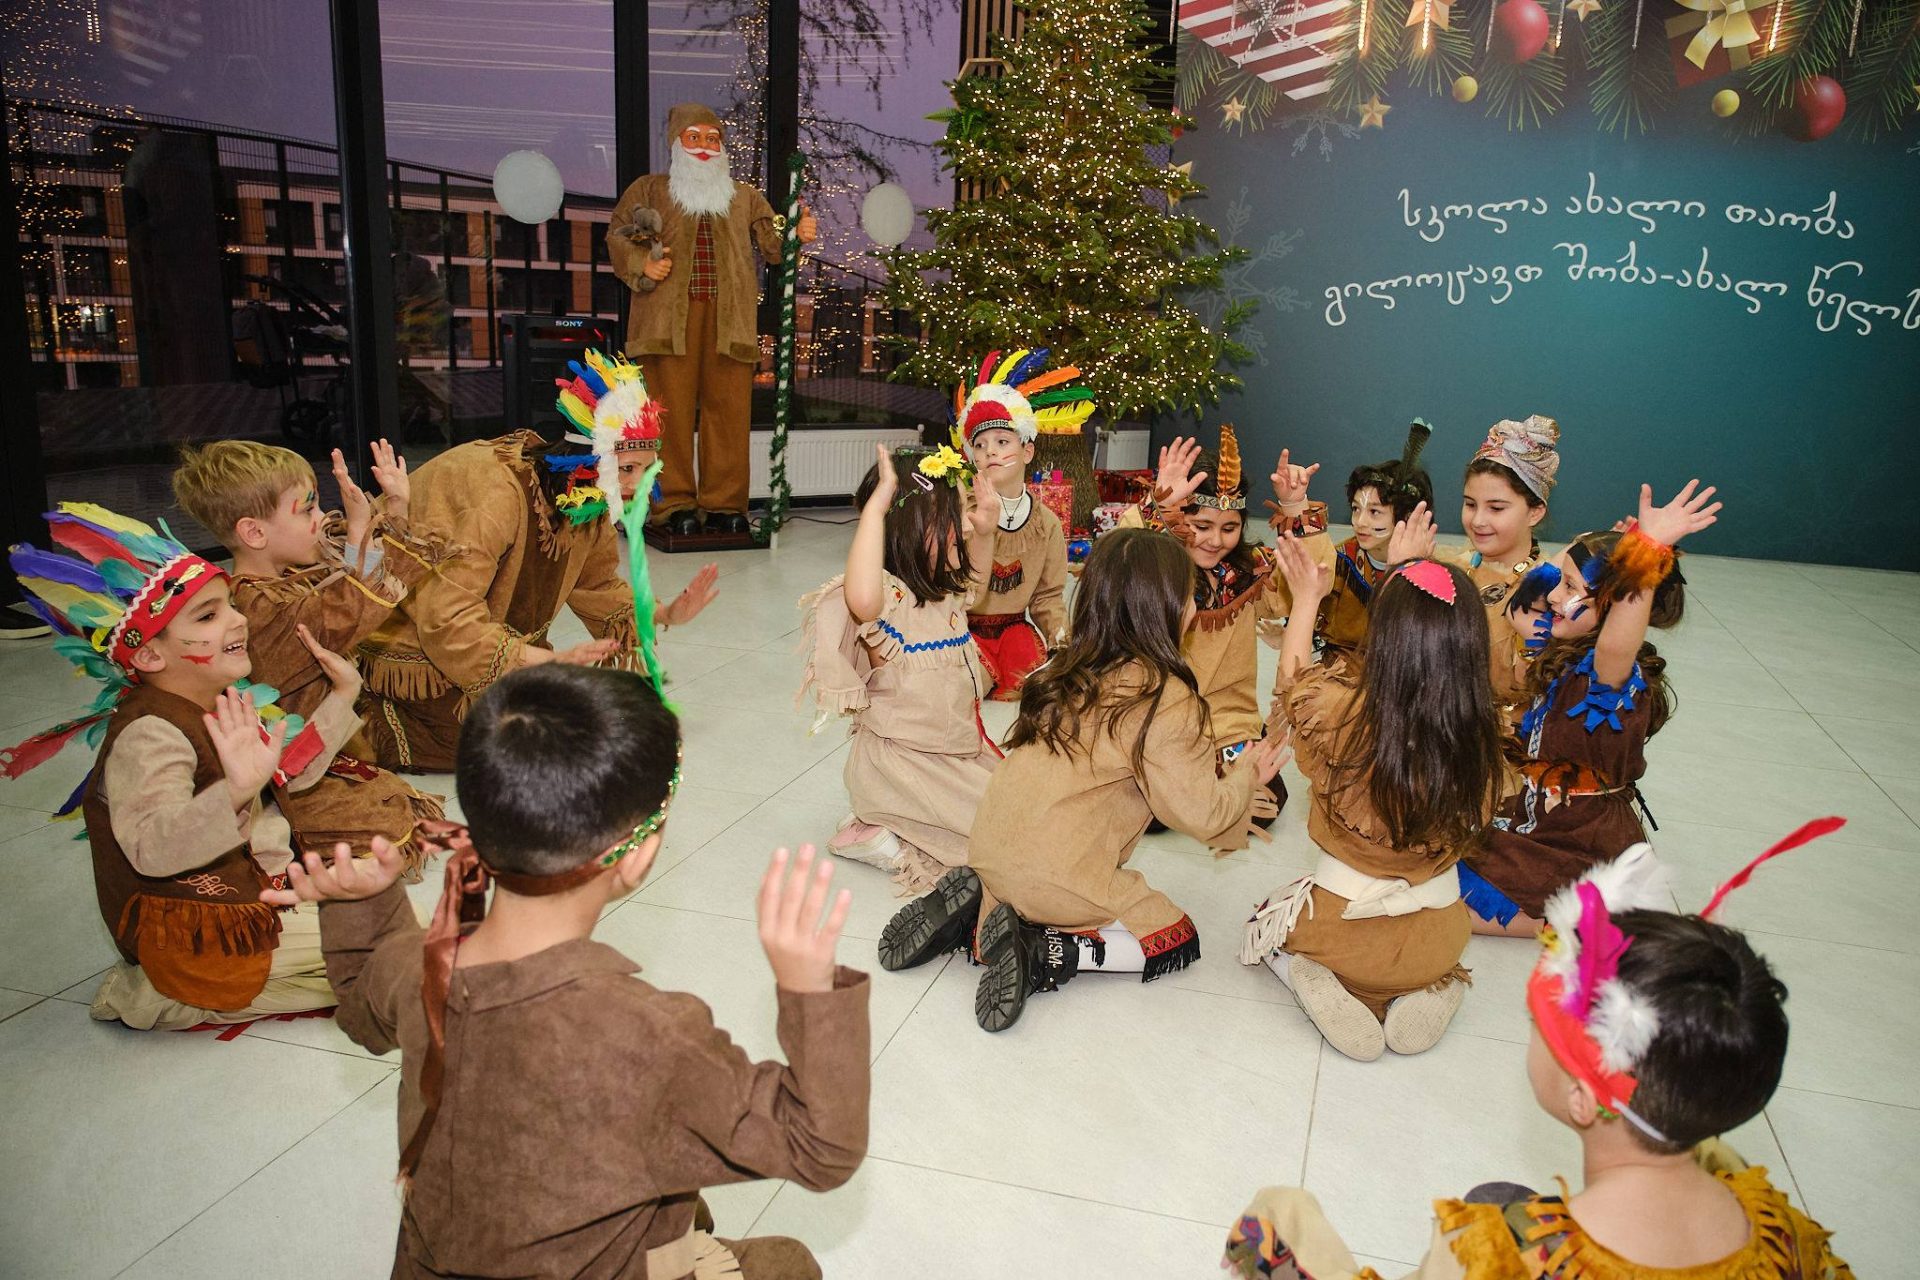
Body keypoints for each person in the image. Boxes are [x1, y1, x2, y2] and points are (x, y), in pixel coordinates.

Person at [268, 664, 869, 1279]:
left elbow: (362, 1011)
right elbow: (819, 1149)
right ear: (638, 853)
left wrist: (362, 902)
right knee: (790, 1264)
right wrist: (810, 989)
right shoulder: (648, 1036)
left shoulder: (422, 963)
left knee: (681, 1192)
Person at [1221, 827, 1854, 1279]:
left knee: (1281, 1218)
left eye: (1540, 1025)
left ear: (1582, 1094)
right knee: (1497, 1194)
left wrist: (1282, 1240)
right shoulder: (1787, 1235)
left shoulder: (1499, 1258)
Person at [876, 528, 1287, 1033]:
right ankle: (1047, 951)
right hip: (1054, 873)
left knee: (1032, 878)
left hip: (986, 848)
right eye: (1189, 596)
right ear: (1165, 608)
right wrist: (1247, 776)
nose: (1193, 606)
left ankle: (977, 914)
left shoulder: (1064, 664)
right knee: (1175, 936)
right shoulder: (1164, 697)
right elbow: (1203, 815)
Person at [1, 505, 368, 1029]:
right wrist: (235, 791)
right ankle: (158, 994)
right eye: (208, 616)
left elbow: (285, 772)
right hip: (200, 924)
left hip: (257, 891)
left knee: (396, 934)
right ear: (150, 656)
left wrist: (344, 695)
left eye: (229, 605)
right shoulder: (150, 733)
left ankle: (227, 982)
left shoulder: (217, 699)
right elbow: (152, 849)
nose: (238, 619)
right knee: (396, 947)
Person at [358, 361, 717, 771]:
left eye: (646, 469)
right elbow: (446, 620)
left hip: (483, 643)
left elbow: (598, 586)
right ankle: (364, 710)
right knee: (511, 742)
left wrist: (665, 613)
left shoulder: (586, 498)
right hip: (415, 645)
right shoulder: (499, 497)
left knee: (575, 722)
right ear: (588, 458)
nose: (637, 485)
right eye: (627, 469)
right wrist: (547, 662)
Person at [1241, 537, 1505, 1061]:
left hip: (1338, 933)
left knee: (1265, 921)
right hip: (1437, 937)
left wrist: (1307, 599)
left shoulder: (1342, 717)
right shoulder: (1485, 741)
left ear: (1382, 642)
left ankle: (1304, 973)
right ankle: (1435, 986)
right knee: (1436, 952)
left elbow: (1292, 688)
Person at [170, 438, 447, 874]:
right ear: (254, 533)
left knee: (393, 793)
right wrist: (388, 517)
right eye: (307, 510)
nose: (321, 519)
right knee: (388, 825)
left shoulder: (281, 580)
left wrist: (381, 515)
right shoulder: (258, 607)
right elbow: (350, 610)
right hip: (294, 770)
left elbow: (345, 595)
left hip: (326, 745)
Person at [1463, 482, 1721, 939]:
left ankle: (1587, 919)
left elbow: (1619, 639)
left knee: (1436, 901)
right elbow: (1535, 599)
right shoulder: (1566, 652)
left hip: (1578, 844)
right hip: (1542, 823)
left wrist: (1644, 557)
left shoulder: (1609, 674)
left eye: (1569, 587)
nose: (1554, 596)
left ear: (1613, 606)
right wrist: (1609, 547)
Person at [607, 102, 819, 536]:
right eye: (694, 137)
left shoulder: (743, 197)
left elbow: (774, 245)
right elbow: (619, 233)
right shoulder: (649, 190)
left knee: (729, 414)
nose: (704, 145)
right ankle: (672, 505)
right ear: (676, 143)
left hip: (730, 322)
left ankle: (725, 505)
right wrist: (643, 264)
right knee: (668, 416)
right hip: (666, 323)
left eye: (712, 138)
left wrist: (796, 233)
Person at [799, 444, 1001, 891]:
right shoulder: (888, 602)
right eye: (956, 515)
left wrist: (986, 532)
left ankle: (882, 827)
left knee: (1022, 804)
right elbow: (860, 597)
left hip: (955, 755)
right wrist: (876, 511)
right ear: (911, 526)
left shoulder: (945, 594)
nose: (967, 525)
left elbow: (979, 585)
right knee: (996, 833)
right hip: (904, 768)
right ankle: (879, 827)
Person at [1142, 427, 1324, 833]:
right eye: (1201, 525)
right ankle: (1194, 788)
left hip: (1229, 725)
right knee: (1148, 814)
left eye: (1229, 528)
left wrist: (1296, 507)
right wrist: (1160, 506)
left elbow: (1310, 577)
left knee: (1266, 804)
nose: (1214, 540)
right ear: (1180, 520)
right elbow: (1122, 551)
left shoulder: (1251, 573)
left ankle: (1201, 785)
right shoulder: (1156, 571)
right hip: (1163, 721)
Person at [956, 349, 1082, 700]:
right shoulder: (960, 513)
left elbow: (1047, 597)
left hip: (1015, 633)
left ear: (1027, 452)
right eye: (980, 445)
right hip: (964, 631)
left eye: (1002, 442)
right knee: (963, 691)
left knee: (1043, 694)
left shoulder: (1047, 524)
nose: (990, 452)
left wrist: (1062, 643)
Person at [1456, 415, 1561, 713]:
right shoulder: (1453, 565)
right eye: (1470, 504)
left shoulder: (1550, 591)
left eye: (1496, 508)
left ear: (1535, 512)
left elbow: (1542, 692)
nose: (1478, 520)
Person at [1313, 421, 1435, 664]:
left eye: (1375, 512)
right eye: (1355, 509)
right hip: (1341, 666)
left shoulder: (1432, 571)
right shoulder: (1340, 559)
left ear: (1407, 516)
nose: (1360, 522)